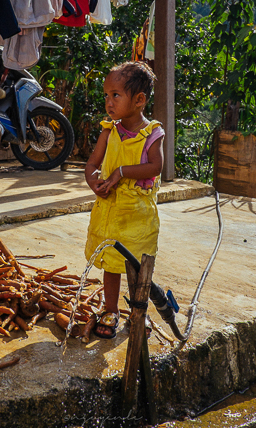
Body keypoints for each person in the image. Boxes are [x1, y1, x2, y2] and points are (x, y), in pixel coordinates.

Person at [83, 62, 165, 339]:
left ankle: (138, 311)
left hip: (137, 215)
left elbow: (155, 167)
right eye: (106, 95)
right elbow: (92, 164)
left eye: (115, 95)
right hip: (109, 210)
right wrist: (94, 181)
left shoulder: (152, 133)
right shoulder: (109, 131)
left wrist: (121, 172)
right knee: (111, 263)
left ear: (139, 100)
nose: (108, 102)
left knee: (137, 267)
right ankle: (110, 310)